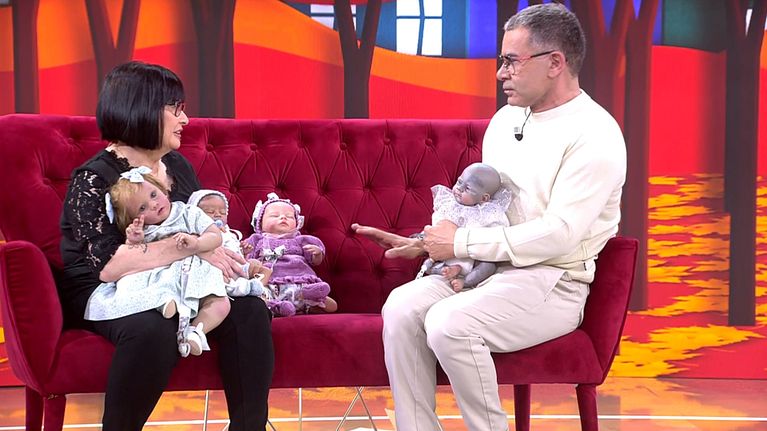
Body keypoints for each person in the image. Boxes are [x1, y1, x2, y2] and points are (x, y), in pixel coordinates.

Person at [352, 4, 626, 431]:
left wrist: (459, 243)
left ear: (555, 63)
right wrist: (427, 243)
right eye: (502, 60)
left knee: (450, 323)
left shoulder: (595, 134)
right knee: (402, 306)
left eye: (512, 61)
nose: (501, 73)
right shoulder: (505, 120)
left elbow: (560, 234)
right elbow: (485, 210)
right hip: (486, 270)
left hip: (554, 281)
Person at [58, 61, 274, 431]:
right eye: (175, 108)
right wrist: (192, 247)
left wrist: (224, 254)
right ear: (141, 109)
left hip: (177, 280)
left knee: (250, 310)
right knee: (153, 327)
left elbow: (200, 227)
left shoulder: (176, 165)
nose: (185, 119)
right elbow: (109, 266)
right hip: (108, 290)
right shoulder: (93, 178)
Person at [84, 170, 231, 358]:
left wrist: (197, 243)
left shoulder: (189, 213)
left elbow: (215, 236)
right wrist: (134, 240)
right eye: (142, 208)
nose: (153, 205)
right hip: (162, 276)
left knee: (221, 303)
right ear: (134, 218)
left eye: (154, 195)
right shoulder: (145, 229)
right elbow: (134, 256)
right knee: (133, 283)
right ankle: (160, 302)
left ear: (163, 189)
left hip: (196, 272)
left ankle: (195, 331)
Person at [417, 162, 512, 292]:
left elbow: (497, 235)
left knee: (489, 266)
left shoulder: (489, 213)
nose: (459, 189)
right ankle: (450, 270)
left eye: (467, 188)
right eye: (459, 182)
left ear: (484, 198)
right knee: (429, 264)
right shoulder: (449, 204)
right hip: (447, 254)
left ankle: (466, 282)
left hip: (473, 257)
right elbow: (438, 226)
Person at [243, 193, 338, 316]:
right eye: (275, 215)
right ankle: (277, 306)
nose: (283, 218)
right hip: (270, 284)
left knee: (333, 306)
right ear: (260, 223)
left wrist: (317, 254)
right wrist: (245, 252)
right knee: (259, 297)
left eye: (289, 216)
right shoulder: (257, 239)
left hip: (300, 283)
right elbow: (247, 262)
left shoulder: (300, 240)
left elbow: (315, 262)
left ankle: (310, 297)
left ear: (297, 223)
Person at [188, 189, 273, 298]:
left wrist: (243, 252)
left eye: (223, 212)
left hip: (238, 267)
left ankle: (257, 287)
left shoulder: (230, 233)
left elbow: (235, 252)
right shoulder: (197, 232)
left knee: (263, 269)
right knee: (216, 276)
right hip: (218, 267)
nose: (217, 215)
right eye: (210, 212)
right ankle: (239, 289)